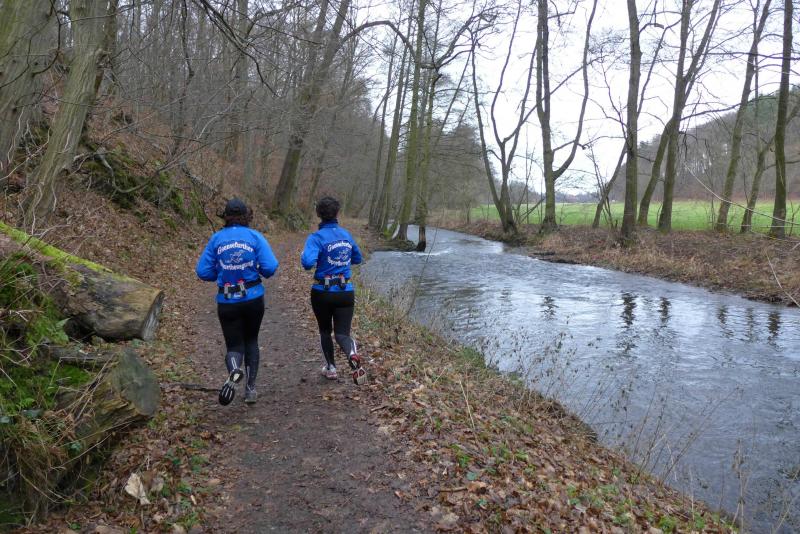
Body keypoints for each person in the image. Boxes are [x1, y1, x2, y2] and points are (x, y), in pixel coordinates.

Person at [195, 198, 278, 405]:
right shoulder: (255, 237)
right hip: (253, 298)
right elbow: (270, 267)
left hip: (227, 301)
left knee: (234, 344)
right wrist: (256, 270)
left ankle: (234, 370)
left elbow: (202, 271)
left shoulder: (216, 239)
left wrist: (219, 273)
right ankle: (250, 389)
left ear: (226, 216)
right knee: (251, 341)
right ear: (246, 216)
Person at [301, 197, 366, 384]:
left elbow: (307, 263)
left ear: (318, 214)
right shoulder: (346, 235)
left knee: (325, 331)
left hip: (322, 291)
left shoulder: (316, 238)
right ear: (338, 213)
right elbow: (357, 258)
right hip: (345, 291)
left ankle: (331, 368)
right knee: (342, 334)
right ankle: (352, 353)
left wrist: (305, 255)